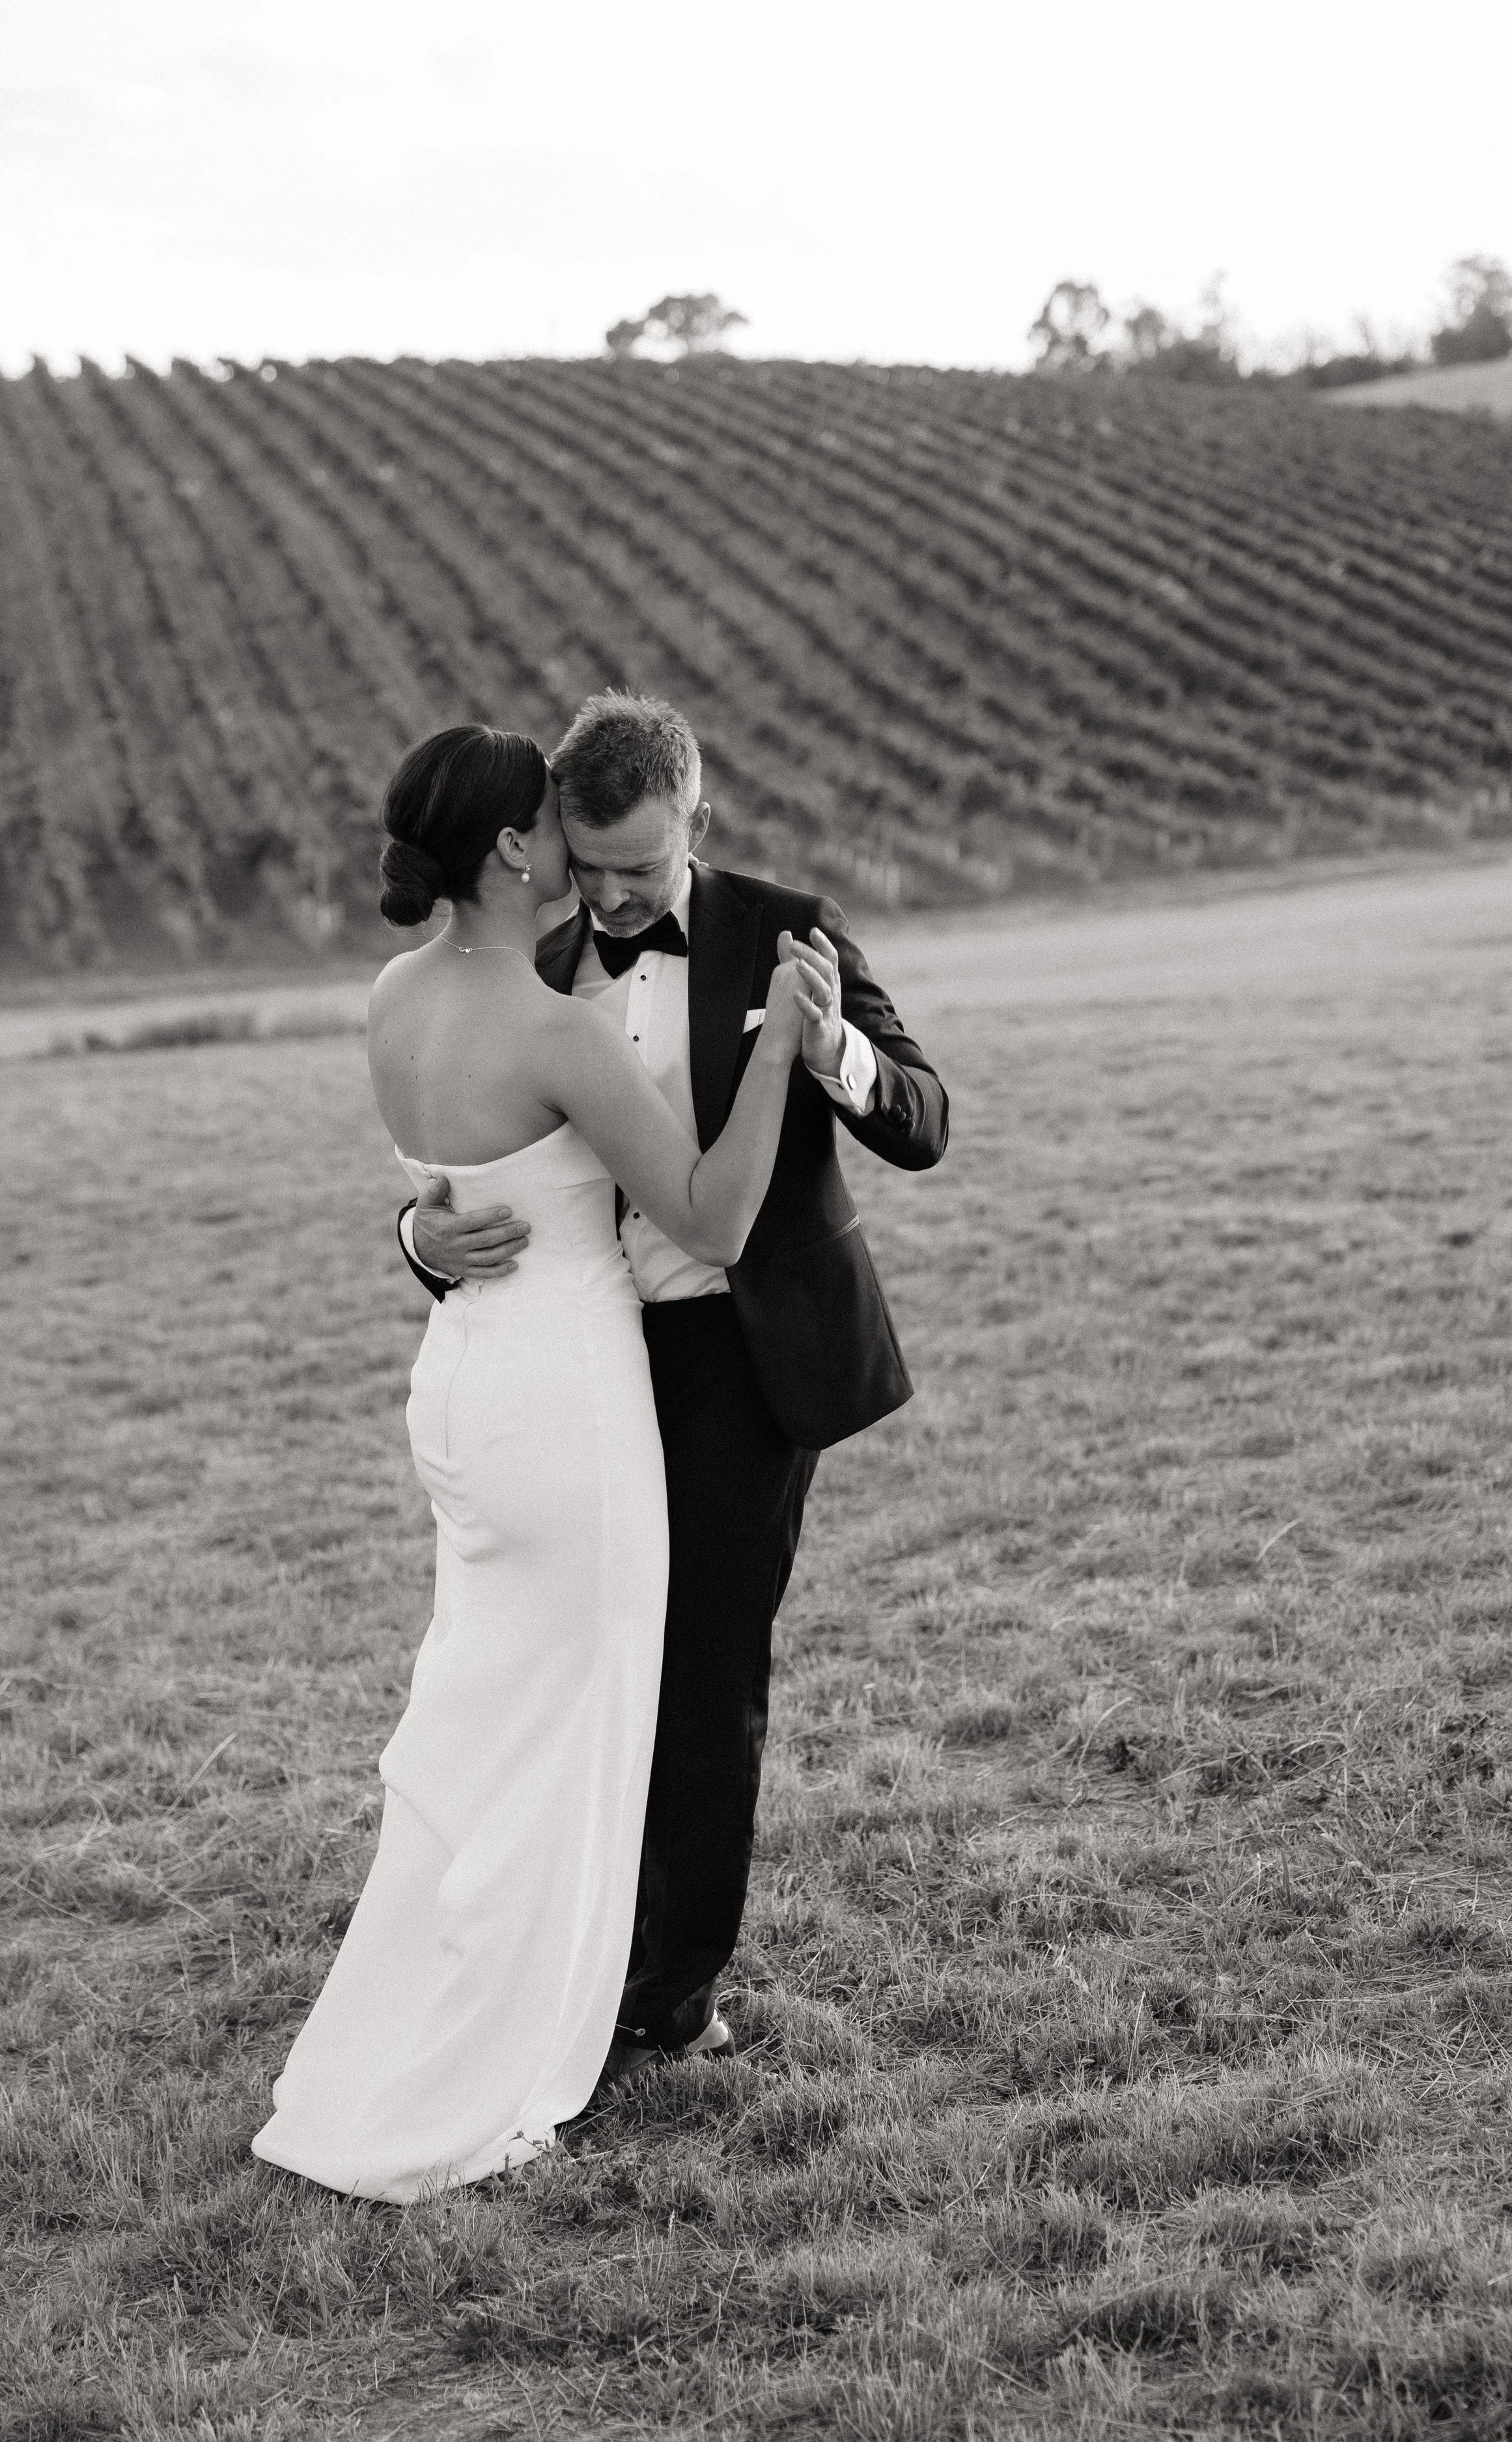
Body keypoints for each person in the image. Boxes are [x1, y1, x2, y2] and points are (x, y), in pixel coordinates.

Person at [252, 723, 817, 2202]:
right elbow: (710, 1216)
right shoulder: (553, 1024)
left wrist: (419, 1235)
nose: (577, 841)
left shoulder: (392, 995)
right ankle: (513, 2042)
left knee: (481, 1716)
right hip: (569, 1405)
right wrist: (774, 1047)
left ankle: (440, 2004)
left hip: (463, 1396)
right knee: (572, 1731)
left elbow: (453, 1184)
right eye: (555, 824)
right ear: (515, 849)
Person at [400, 692, 947, 2075]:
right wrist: (418, 1235)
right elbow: (464, 1128)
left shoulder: (786, 926)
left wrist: (824, 1049)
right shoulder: (535, 951)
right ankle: (563, 1953)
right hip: (580, 1354)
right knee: (586, 1673)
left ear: (698, 820)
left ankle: (667, 1994)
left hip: (738, 1356)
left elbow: (925, 1122)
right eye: (591, 868)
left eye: (644, 865)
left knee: (703, 1678)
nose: (618, 894)